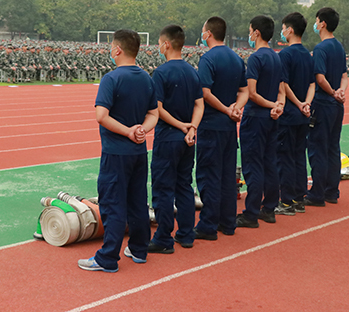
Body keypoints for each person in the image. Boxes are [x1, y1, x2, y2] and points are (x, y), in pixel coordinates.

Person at [78, 29, 159, 273]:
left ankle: (108, 257)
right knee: (137, 201)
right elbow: (153, 113)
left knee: (113, 203)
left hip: (116, 152)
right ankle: (139, 249)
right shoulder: (146, 78)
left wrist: (127, 132)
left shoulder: (111, 78)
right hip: (138, 152)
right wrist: (141, 130)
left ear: (117, 49)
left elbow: (101, 116)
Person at [149, 25, 204, 253]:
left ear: (167, 44)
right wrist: (192, 128)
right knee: (184, 185)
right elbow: (199, 105)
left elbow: (158, 108)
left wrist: (181, 126)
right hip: (187, 139)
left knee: (163, 188)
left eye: (159, 43)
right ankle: (186, 234)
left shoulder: (161, 73)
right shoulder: (192, 71)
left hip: (168, 137)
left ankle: (163, 238)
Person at [194, 16, 248, 240]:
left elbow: (205, 92)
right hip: (229, 128)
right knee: (227, 175)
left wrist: (226, 109)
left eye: (203, 30)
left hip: (211, 125)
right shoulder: (236, 59)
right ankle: (228, 222)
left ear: (209, 33)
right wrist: (236, 108)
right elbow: (244, 90)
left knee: (209, 176)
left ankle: (208, 225)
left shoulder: (208, 59)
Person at [236, 15, 285, 228]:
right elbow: (282, 90)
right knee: (269, 163)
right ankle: (269, 208)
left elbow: (252, 93)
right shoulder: (276, 57)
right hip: (271, 118)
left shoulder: (256, 58)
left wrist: (271, 105)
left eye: (250, 31)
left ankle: (251, 213)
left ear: (256, 33)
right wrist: (278, 106)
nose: (249, 35)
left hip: (256, 118)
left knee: (253, 165)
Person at [305, 7, 348, 206]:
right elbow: (344, 76)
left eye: (316, 21)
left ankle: (317, 194)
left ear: (322, 23)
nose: (315, 25)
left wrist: (331, 92)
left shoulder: (321, 49)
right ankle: (332, 191)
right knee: (332, 147)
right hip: (337, 106)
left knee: (318, 148)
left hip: (323, 104)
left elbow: (320, 78)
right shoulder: (339, 47)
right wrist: (340, 92)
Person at [274, 12, 315, 216]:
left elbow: (283, 84)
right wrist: (306, 104)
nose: (282, 32)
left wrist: (298, 104)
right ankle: (299, 198)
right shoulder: (307, 55)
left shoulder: (285, 55)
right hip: (303, 115)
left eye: (283, 28)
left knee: (285, 158)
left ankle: (286, 201)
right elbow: (312, 84)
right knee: (299, 156)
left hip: (289, 114)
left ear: (290, 30)